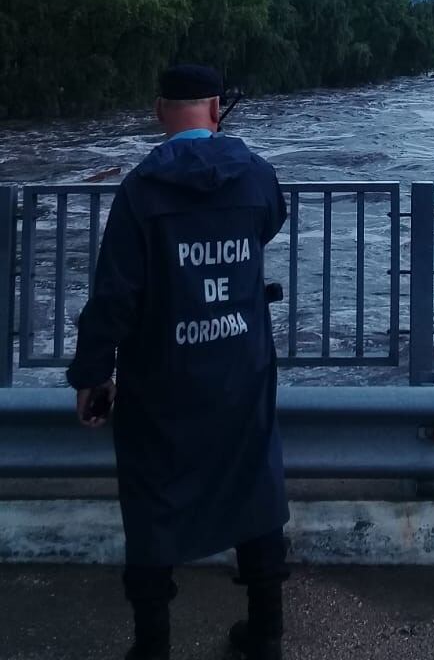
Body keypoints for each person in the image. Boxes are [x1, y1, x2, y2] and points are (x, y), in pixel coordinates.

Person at [67, 64, 289, 660]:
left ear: (161, 110)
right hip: (241, 367)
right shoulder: (257, 175)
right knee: (254, 485)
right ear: (216, 109)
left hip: (163, 376)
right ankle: (266, 633)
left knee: (152, 500)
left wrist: (92, 375)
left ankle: (153, 647)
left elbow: (115, 295)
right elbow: (271, 222)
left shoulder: (140, 189)